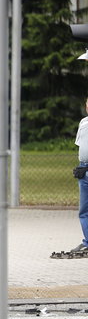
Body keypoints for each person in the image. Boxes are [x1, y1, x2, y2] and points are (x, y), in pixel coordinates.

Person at [73, 97, 88, 253]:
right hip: (84, 170)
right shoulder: (83, 123)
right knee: (84, 210)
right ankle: (87, 242)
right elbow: (81, 147)